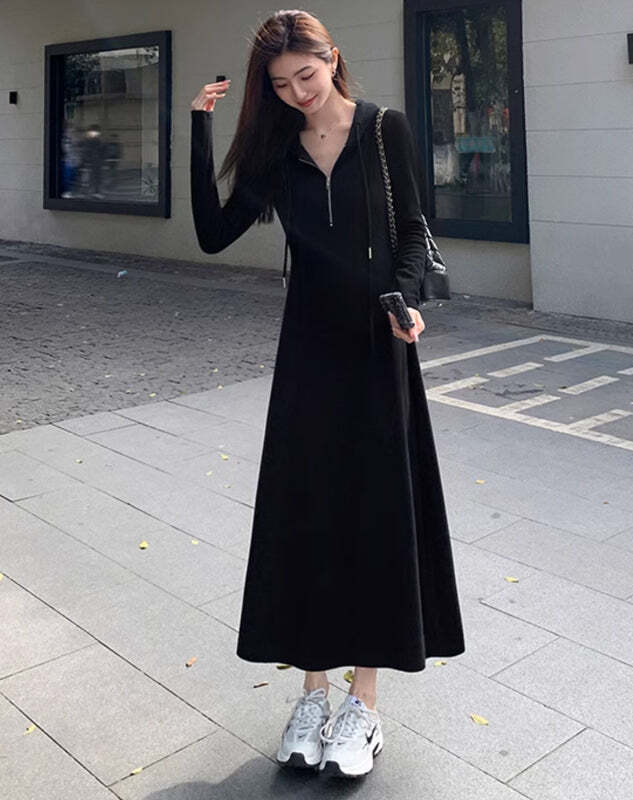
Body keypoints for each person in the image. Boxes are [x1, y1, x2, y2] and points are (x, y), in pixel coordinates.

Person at [190, 9, 465, 780]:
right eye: (281, 84)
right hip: (307, 352)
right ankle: (311, 695)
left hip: (378, 349)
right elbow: (213, 232)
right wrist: (198, 129)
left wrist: (406, 300)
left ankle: (363, 705)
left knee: (376, 516)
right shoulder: (276, 151)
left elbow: (412, 231)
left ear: (332, 59)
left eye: (306, 75)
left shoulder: (383, 129)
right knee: (307, 513)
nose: (297, 92)